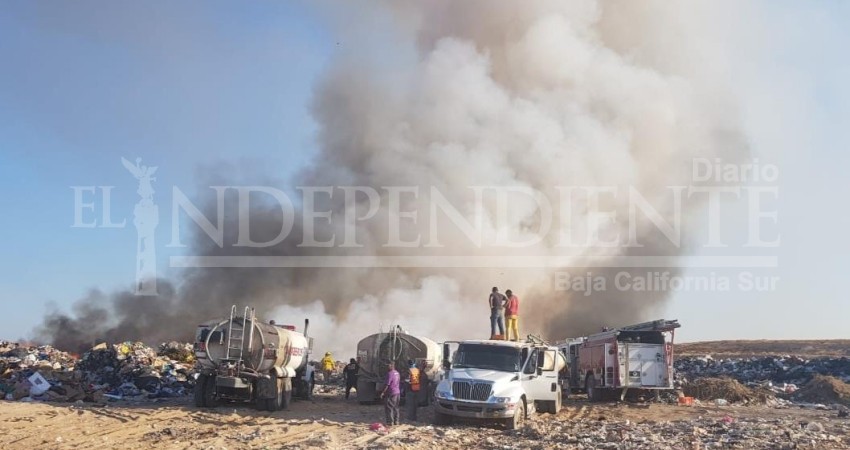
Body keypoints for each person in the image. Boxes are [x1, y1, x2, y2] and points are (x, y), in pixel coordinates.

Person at [380, 362, 401, 426]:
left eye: (388, 365)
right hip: (397, 392)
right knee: (396, 407)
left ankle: (390, 422)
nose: (387, 367)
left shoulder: (390, 374)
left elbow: (387, 384)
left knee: (389, 408)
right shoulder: (397, 373)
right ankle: (396, 421)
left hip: (391, 393)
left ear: (392, 366)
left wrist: (383, 392)